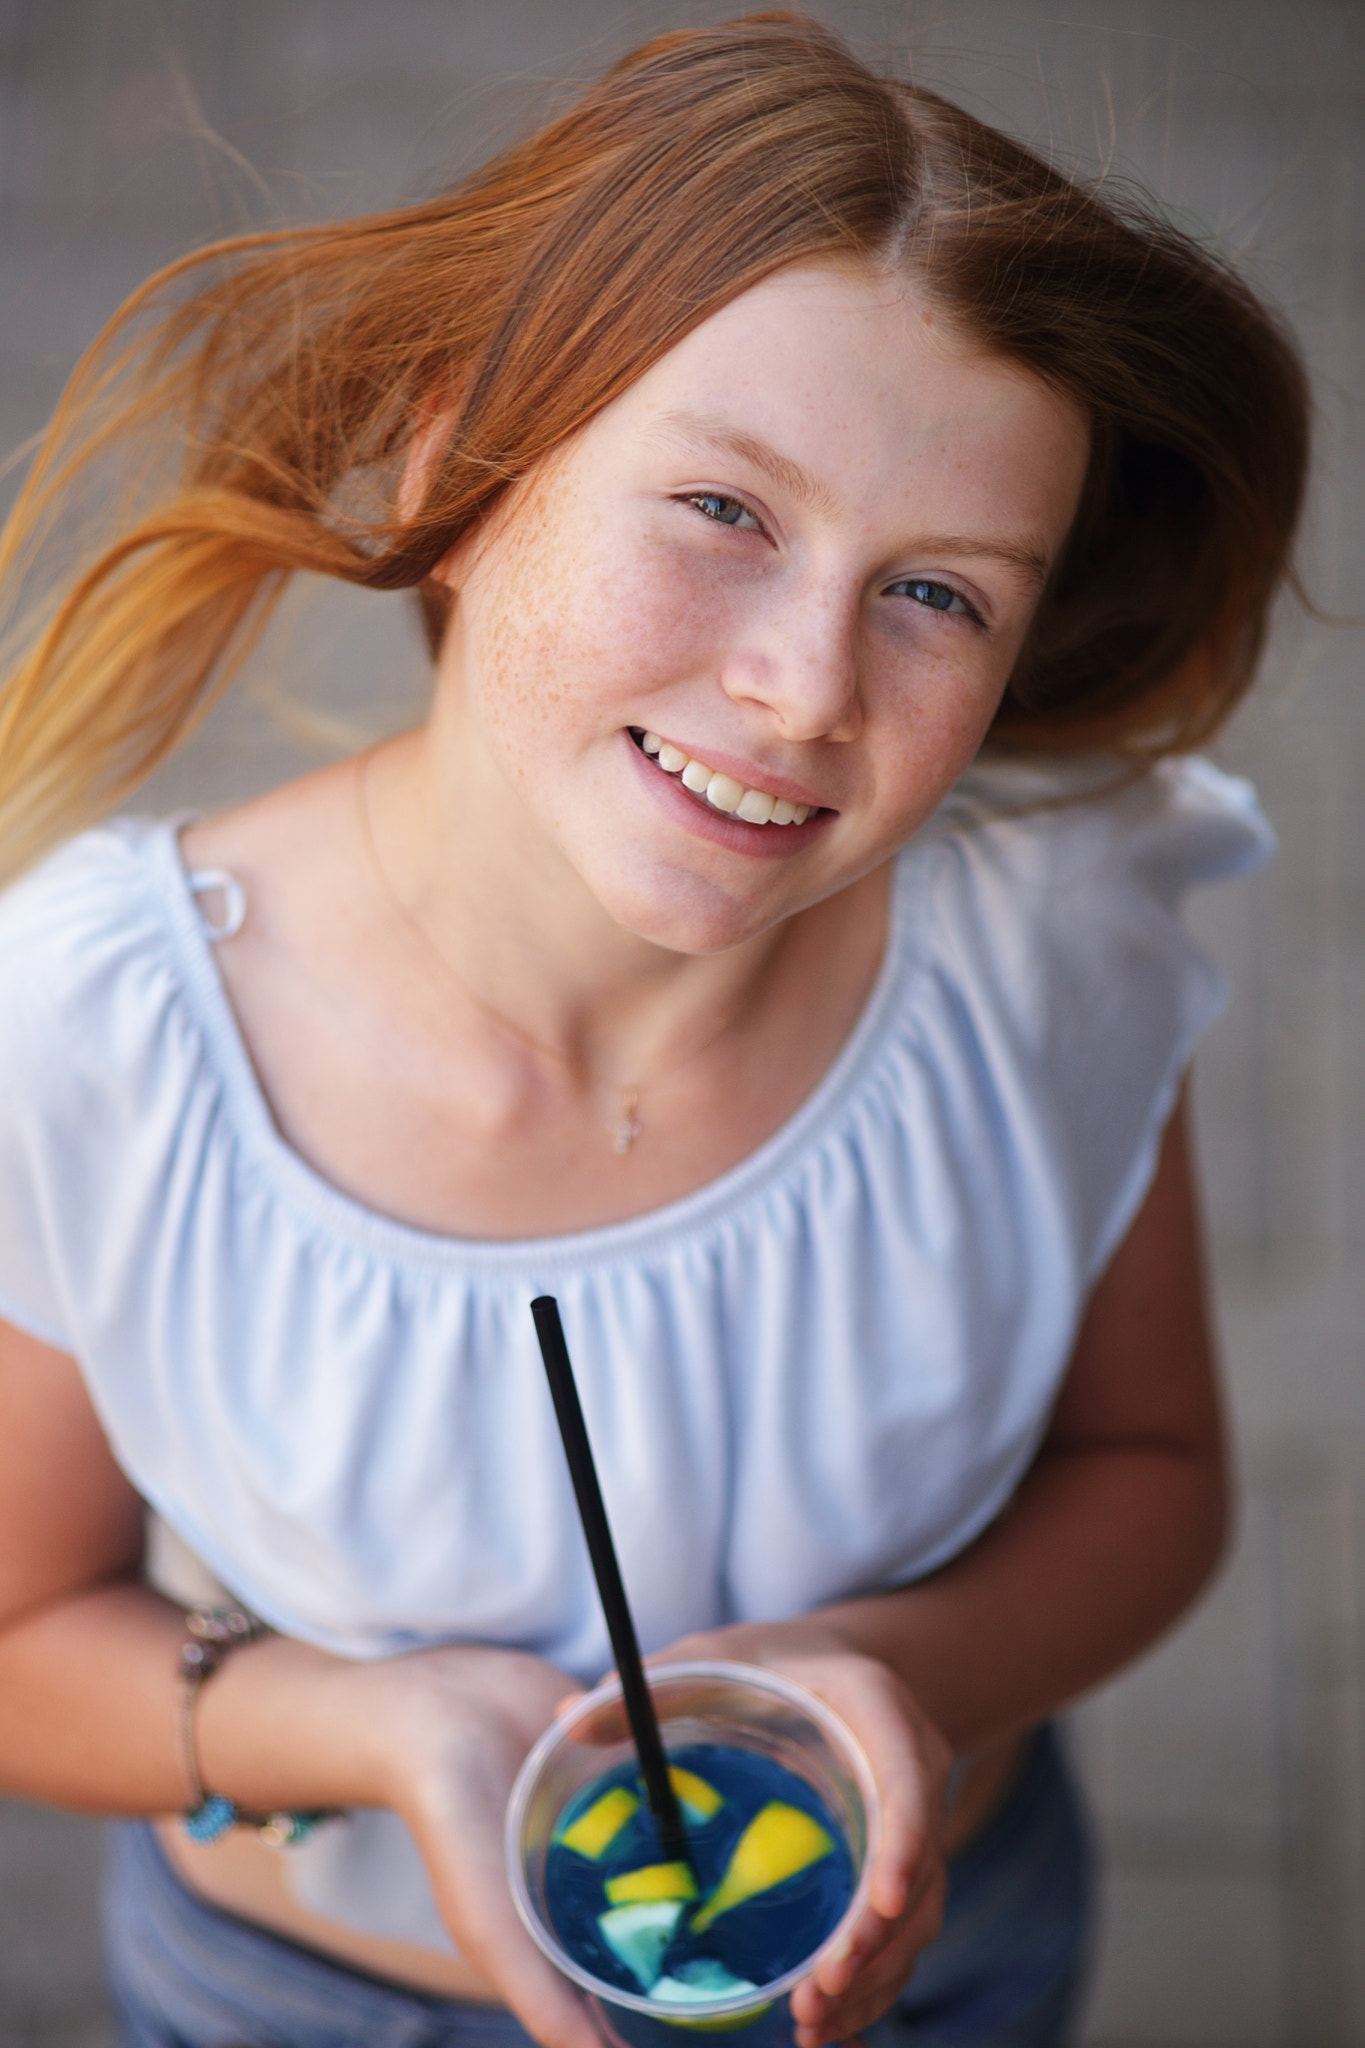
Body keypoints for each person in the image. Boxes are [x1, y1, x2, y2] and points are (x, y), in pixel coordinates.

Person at [0, 15, 1308, 2048]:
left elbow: (1147, 1473)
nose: (800, 688)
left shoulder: (1049, 945)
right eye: (719, 507)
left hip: (924, 1974)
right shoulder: (100, 1033)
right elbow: (15, 1639)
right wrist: (362, 1724)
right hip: (304, 2001)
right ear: (458, 457)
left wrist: (893, 1665)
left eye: (939, 595)